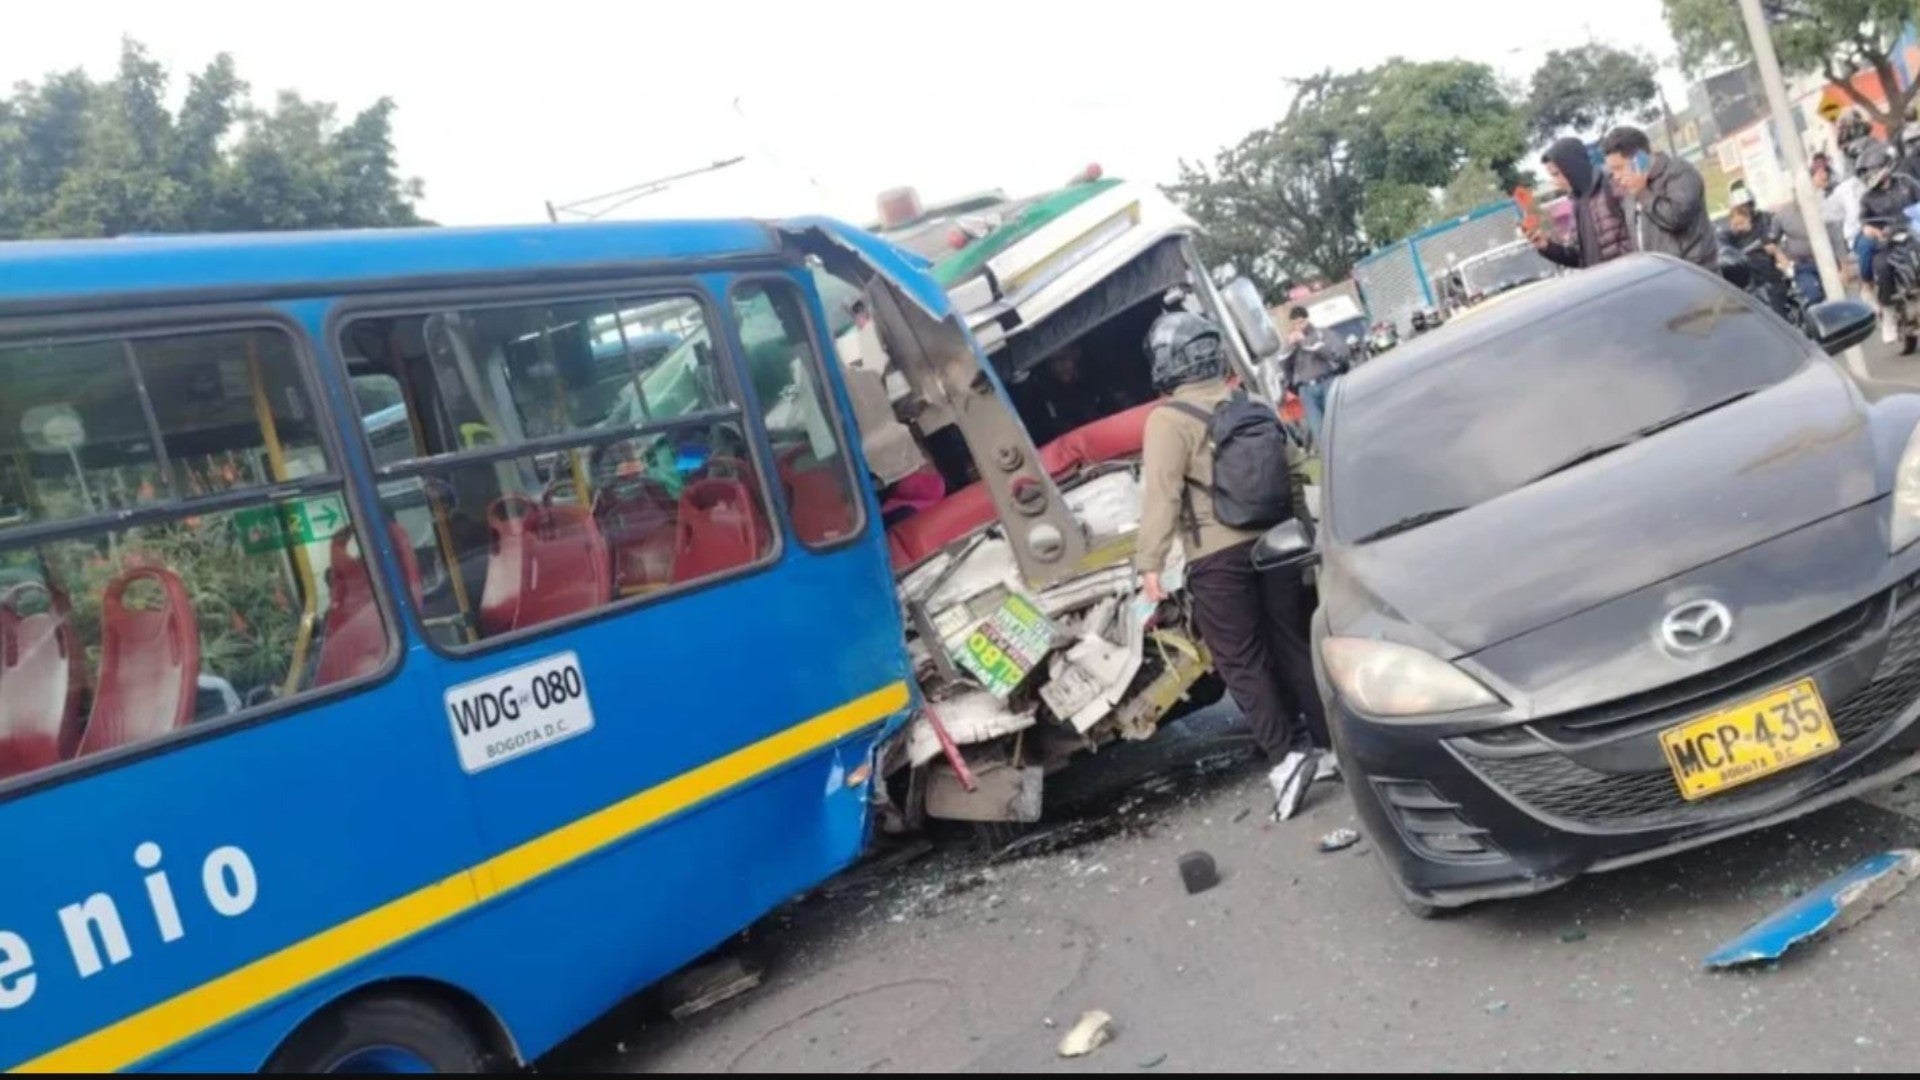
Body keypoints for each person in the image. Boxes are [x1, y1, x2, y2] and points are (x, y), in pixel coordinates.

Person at [1134, 310, 1330, 820]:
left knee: (1241, 659)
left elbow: (1161, 494)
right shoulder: (1253, 403)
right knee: (1292, 644)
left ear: (1166, 363)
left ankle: (1286, 758)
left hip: (1218, 557)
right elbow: (1291, 468)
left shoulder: (1167, 419)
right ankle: (1329, 746)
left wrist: (1149, 564)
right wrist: (1303, 530)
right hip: (1279, 542)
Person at [1602, 126, 1717, 268]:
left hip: (1693, 272)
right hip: (1659, 274)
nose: (1616, 176)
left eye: (1619, 168)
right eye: (1612, 170)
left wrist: (1642, 194)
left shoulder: (1679, 173)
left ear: (1640, 158)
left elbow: (1677, 217)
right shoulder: (1631, 190)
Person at [1531, 136, 1633, 269]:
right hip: (1602, 283)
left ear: (1572, 167)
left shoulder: (1614, 186)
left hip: (1631, 278)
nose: (1556, 182)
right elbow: (1579, 257)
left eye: (1557, 174)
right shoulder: (1578, 205)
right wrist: (1547, 247)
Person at [1856, 141, 1920, 342]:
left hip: (1914, 234)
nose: (1869, 175)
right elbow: (1864, 223)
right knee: (1882, 267)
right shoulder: (1867, 198)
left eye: (1872, 170)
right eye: (1866, 172)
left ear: (1885, 165)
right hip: (1888, 242)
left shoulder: (1906, 183)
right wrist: (1873, 231)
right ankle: (1889, 315)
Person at [1277, 306, 1350, 446]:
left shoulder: (1322, 334)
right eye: (1295, 323)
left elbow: (1335, 354)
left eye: (1301, 322)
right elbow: (1283, 364)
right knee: (1319, 431)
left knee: (1337, 424)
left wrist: (1305, 341)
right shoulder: (1291, 342)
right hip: (1306, 390)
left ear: (1307, 320)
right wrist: (1290, 346)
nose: (1298, 326)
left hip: (1327, 382)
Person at [1026, 341, 1125, 443]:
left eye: (1062, 359)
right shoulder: (1046, 396)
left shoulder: (1101, 379)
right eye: (1051, 363)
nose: (1057, 368)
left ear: (1076, 353)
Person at [1725, 184, 1795, 315]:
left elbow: (1773, 239)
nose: (1744, 209)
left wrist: (1771, 245)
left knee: (1777, 309)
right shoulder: (1729, 232)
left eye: (1747, 205)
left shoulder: (1765, 219)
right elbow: (1725, 250)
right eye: (1739, 208)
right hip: (1748, 278)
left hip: (1770, 273)